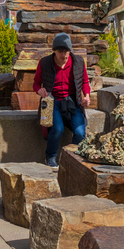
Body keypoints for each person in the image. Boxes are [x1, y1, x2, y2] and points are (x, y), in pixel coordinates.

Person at [33, 33, 92, 168]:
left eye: (66, 51)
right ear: (54, 50)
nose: (63, 54)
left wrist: (87, 96)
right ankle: (50, 157)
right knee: (57, 129)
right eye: (60, 51)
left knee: (80, 132)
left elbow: (85, 82)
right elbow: (36, 83)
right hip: (53, 101)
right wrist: (39, 91)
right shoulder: (45, 62)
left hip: (73, 101)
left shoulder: (78, 62)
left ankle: (71, 158)